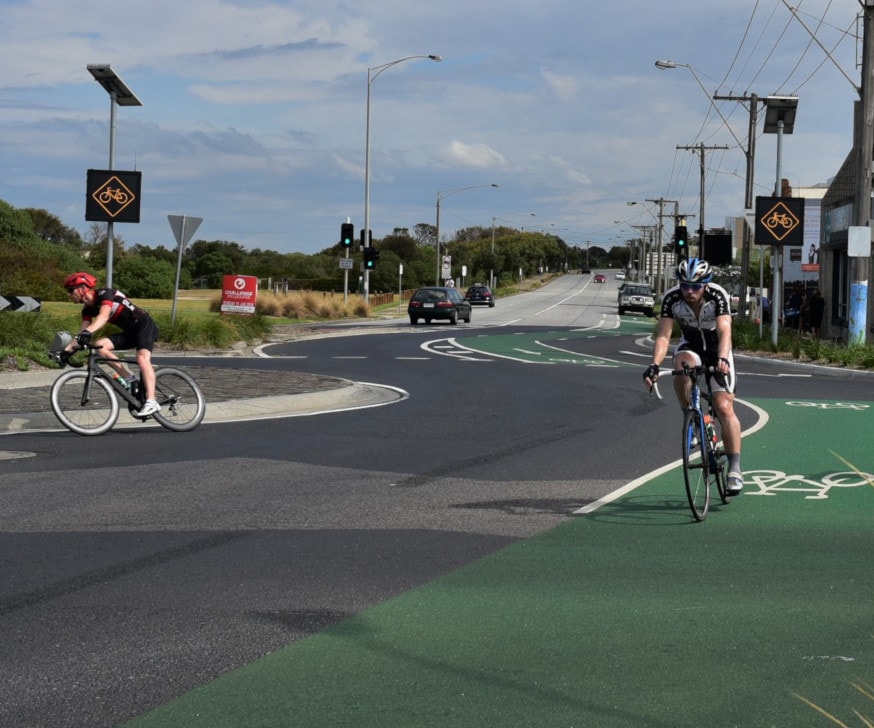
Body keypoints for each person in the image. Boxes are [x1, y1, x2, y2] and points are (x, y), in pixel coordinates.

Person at [642, 258, 744, 495]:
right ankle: (691, 418)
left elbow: (724, 329)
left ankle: (735, 469)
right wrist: (654, 365)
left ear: (706, 285)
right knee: (680, 364)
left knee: (723, 406)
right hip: (691, 345)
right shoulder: (672, 298)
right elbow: (665, 336)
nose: (689, 291)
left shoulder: (718, 296)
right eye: (684, 285)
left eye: (695, 287)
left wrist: (723, 359)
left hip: (717, 348)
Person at [62, 272, 162, 417]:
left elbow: (103, 317)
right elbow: (82, 332)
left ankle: (152, 401)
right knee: (100, 346)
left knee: (142, 359)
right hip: (130, 332)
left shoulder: (105, 294)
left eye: (71, 290)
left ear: (82, 288)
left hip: (144, 324)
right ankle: (130, 378)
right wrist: (66, 351)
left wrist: (87, 333)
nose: (69, 294)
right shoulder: (87, 309)